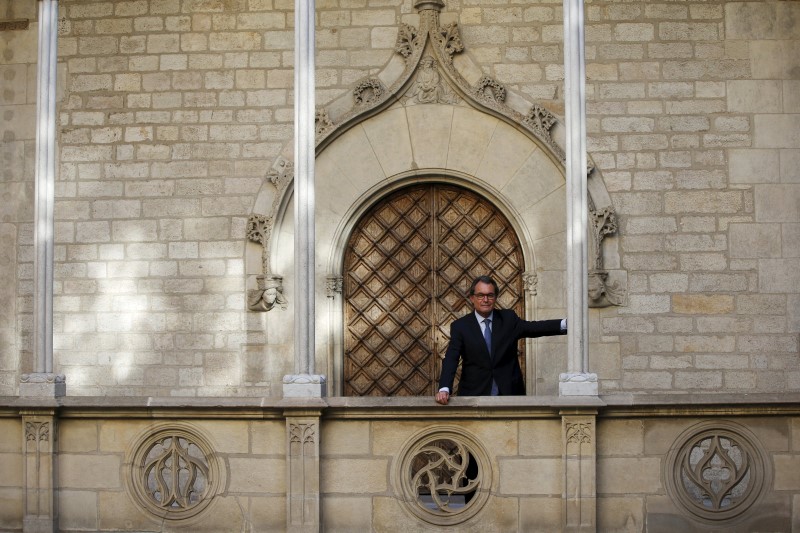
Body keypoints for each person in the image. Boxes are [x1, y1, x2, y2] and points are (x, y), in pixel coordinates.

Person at [435, 275, 567, 405]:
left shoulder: (508, 319)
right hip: (474, 396)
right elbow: (452, 357)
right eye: (480, 295)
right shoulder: (461, 326)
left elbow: (535, 328)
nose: (485, 300)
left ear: (495, 297)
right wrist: (444, 387)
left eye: (490, 295)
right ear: (472, 298)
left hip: (509, 395)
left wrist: (567, 324)